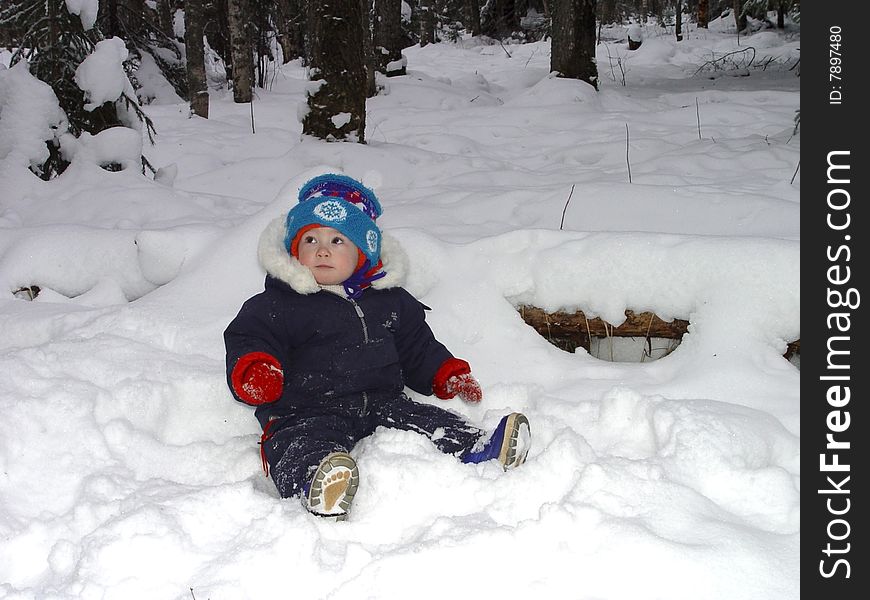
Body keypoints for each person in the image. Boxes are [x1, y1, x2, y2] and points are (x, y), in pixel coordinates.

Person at [224, 174, 531, 521]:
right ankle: (316, 482)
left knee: (427, 419)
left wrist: (445, 374)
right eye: (310, 239)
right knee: (297, 444)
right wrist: (255, 370)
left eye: (337, 240)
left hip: (382, 403)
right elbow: (250, 338)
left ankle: (479, 447)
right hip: (307, 409)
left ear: (362, 253)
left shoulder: (390, 301)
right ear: (295, 251)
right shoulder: (277, 304)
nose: (322, 249)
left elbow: (416, 346)